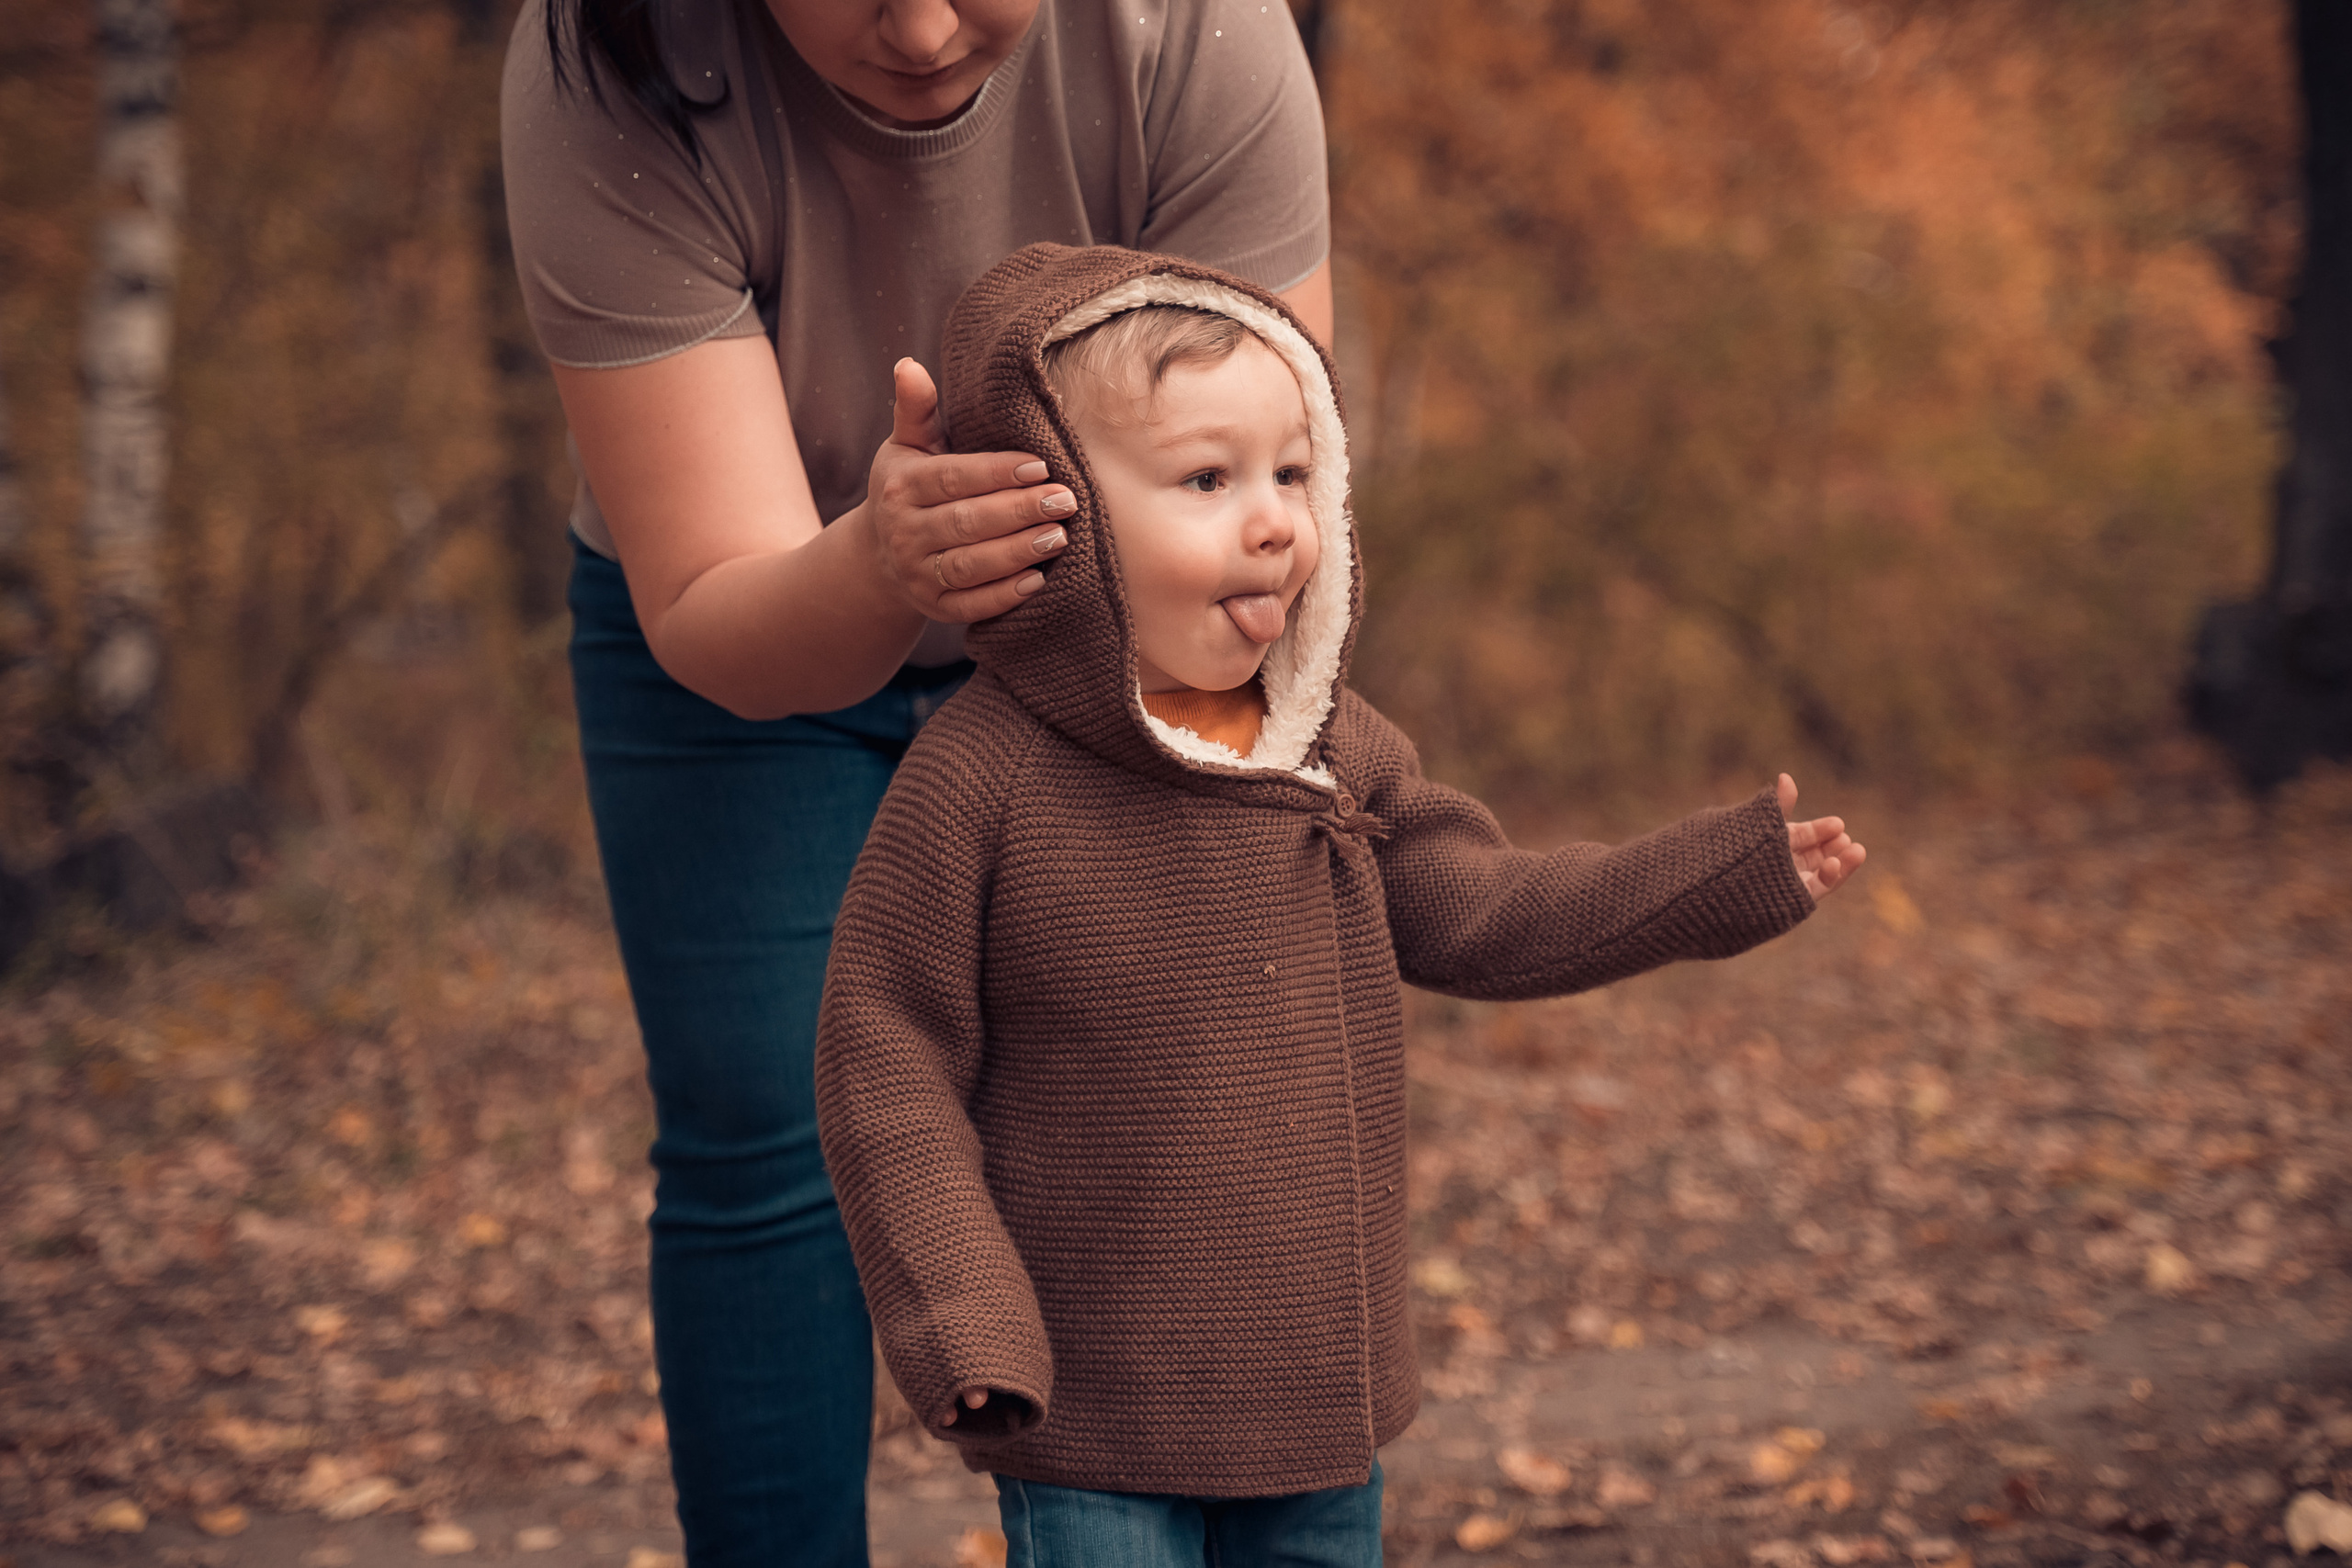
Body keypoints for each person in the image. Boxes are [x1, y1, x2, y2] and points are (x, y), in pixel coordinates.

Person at [813, 243, 1867, 1568]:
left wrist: (1718, 877)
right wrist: (964, 1315)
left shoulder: (1328, 749)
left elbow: (1486, 908)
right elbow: (884, 1061)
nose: (1275, 520)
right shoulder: (983, 780)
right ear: (1055, 511)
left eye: (1294, 473)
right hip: (1091, 1406)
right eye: (1208, 479)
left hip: (1314, 1391)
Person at [499, 0, 1332, 1562]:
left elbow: (1271, 470)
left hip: (1119, 624)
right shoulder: (601, 64)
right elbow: (723, 609)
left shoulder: (1196, 29)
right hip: (744, 622)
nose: (928, 28)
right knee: (766, 1127)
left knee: (1151, 1098)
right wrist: (888, 563)